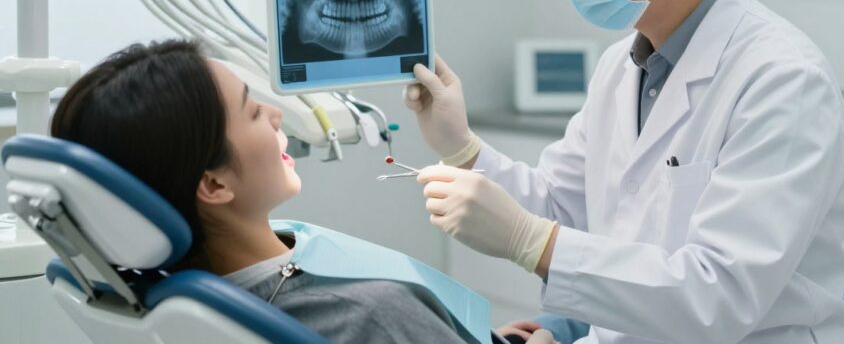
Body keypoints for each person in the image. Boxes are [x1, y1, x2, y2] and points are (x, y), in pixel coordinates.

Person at [405, 0, 844, 344]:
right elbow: (562, 205)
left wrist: (535, 244)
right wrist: (462, 147)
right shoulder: (623, 65)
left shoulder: (783, 81)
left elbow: (719, 296)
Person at [49, 39, 554, 344]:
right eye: (252, 111)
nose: (275, 114)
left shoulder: (178, 298)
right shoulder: (368, 314)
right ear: (214, 184)